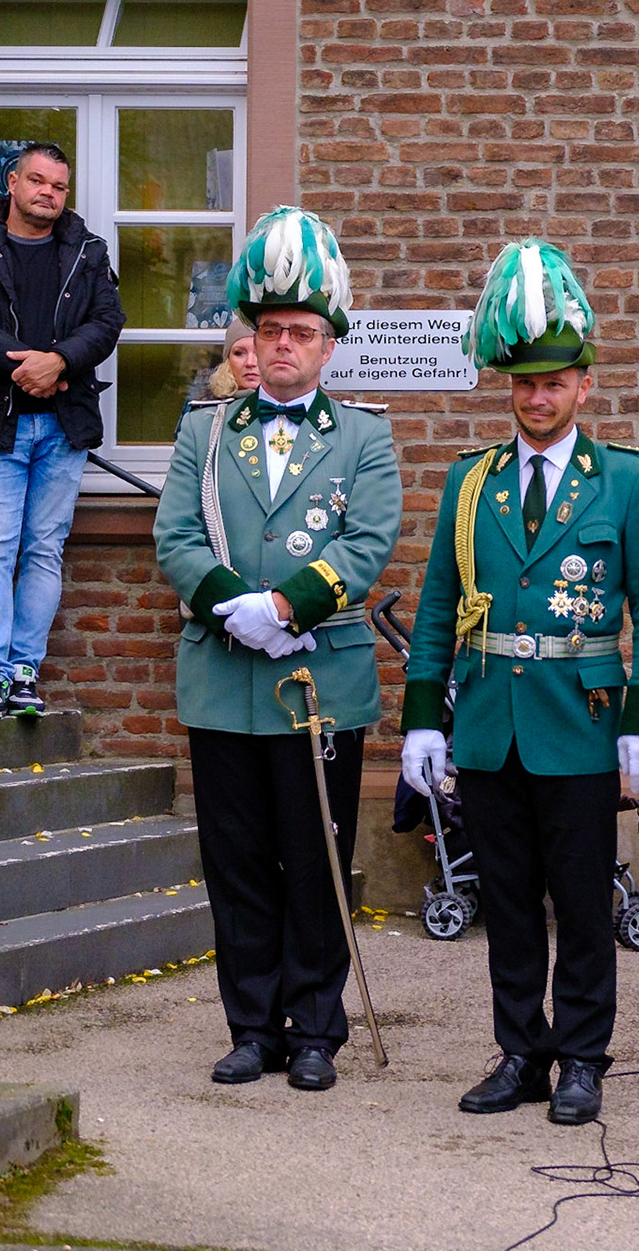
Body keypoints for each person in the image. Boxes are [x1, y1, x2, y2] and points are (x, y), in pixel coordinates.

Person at [399, 240, 639, 1126]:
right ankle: (520, 1051)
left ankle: (584, 1057)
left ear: (584, 386)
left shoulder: (625, 479)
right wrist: (421, 720)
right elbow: (440, 604)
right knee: (508, 903)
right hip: (487, 720)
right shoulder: (468, 481)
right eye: (523, 384)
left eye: (555, 383)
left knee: (585, 904)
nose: (537, 397)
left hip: (581, 719)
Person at [152, 206, 402, 1092]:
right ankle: (251, 1027)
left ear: (330, 344)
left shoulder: (366, 435)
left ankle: (315, 1031)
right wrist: (234, 609)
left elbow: (368, 545)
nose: (285, 344)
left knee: (318, 856)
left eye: (301, 331)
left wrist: (287, 608)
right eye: (271, 330)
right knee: (238, 861)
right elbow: (176, 539)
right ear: (252, 337)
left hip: (317, 680)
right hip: (224, 680)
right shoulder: (204, 430)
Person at [0, 141, 124, 720]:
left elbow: (108, 320)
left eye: (59, 186)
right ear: (12, 183)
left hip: (63, 426)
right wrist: (24, 366)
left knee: (43, 551)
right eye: (38, 181)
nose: (48, 193)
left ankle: (24, 670)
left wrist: (60, 361)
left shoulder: (87, 250)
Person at [206, 316, 260, 399]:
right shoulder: (208, 411)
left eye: (259, 353)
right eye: (239, 353)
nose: (250, 363)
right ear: (227, 361)